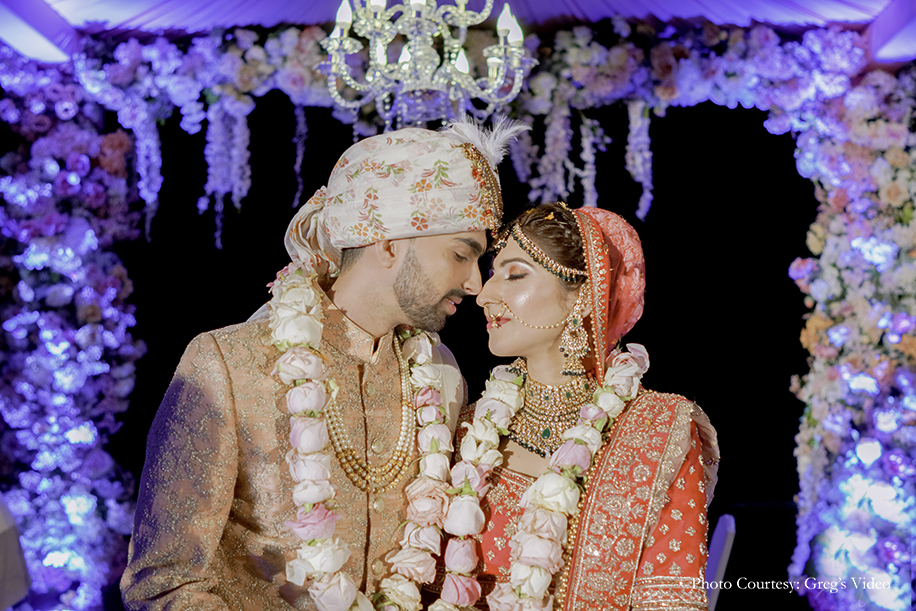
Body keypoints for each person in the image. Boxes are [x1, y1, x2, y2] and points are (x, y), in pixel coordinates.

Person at [120, 119, 527, 611]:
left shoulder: (440, 376)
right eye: (462, 254)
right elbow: (165, 582)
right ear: (389, 243)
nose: (476, 284)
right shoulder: (229, 364)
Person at [429, 202, 719, 611]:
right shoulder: (465, 432)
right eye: (493, 274)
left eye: (515, 275)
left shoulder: (659, 432)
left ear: (582, 297)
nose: (485, 295)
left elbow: (671, 600)